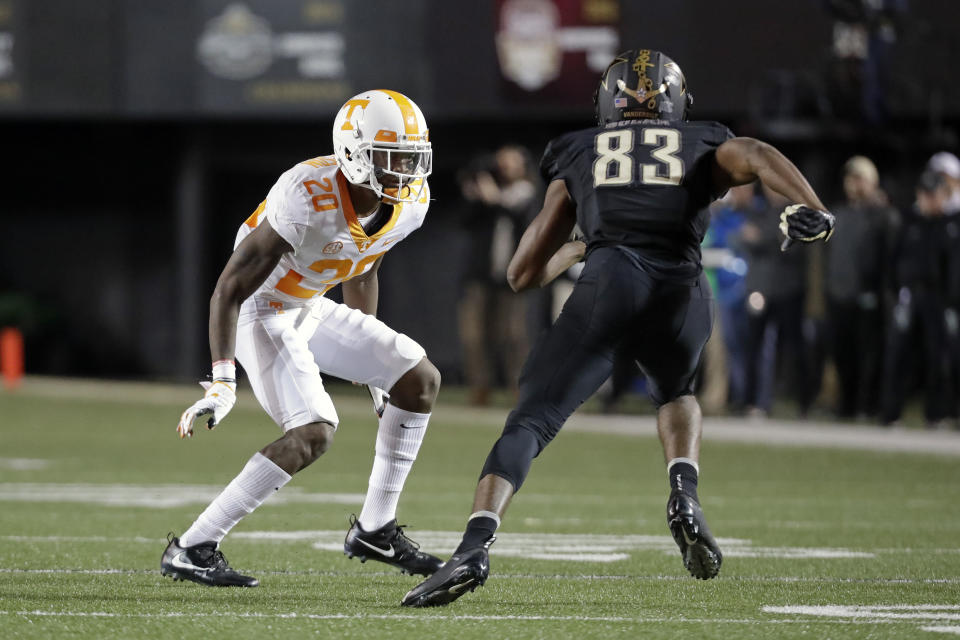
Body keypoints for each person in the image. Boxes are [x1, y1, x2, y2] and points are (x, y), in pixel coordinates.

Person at [401, 49, 835, 607]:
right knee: (676, 392)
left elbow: (522, 273)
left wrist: (580, 245)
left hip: (609, 283)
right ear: (677, 100)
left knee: (531, 421)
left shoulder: (580, 149)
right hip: (684, 292)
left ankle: (473, 546)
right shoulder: (702, 140)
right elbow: (755, 153)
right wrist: (814, 208)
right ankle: (684, 491)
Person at [161, 90, 445, 587]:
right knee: (314, 431)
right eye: (392, 158)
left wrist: (375, 367)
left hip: (309, 305)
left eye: (410, 158)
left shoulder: (410, 202)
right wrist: (222, 383)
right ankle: (193, 546)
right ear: (354, 153)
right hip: (261, 308)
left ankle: (376, 529)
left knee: (417, 379)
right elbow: (229, 288)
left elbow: (363, 265)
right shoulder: (307, 194)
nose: (404, 172)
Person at [457, 145, 539, 405]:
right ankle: (480, 388)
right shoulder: (486, 196)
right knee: (474, 334)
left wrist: (491, 197)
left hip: (512, 276)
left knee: (513, 335)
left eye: (511, 162)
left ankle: (519, 389)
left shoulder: (526, 192)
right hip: (480, 275)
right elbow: (465, 220)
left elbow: (516, 214)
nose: (504, 167)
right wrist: (477, 188)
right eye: (501, 162)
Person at [823, 156, 898, 419]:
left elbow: (890, 261)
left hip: (870, 297)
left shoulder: (884, 216)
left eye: (859, 178)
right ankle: (847, 406)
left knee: (870, 356)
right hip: (840, 294)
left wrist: (883, 294)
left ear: (872, 182)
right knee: (843, 355)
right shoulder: (839, 214)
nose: (853, 184)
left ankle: (870, 406)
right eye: (849, 178)